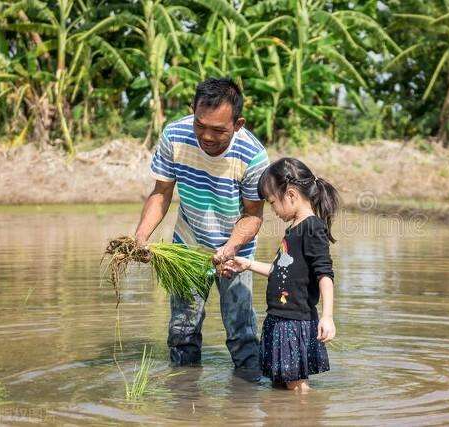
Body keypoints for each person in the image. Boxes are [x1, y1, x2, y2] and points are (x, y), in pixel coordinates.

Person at [134, 77, 269, 370]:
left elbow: (253, 215)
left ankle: (246, 400)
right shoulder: (175, 135)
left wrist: (230, 248)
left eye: (218, 130)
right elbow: (161, 193)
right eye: (200, 125)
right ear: (192, 110)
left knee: (241, 332)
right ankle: (184, 397)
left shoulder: (253, 156)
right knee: (182, 330)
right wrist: (141, 238)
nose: (206, 136)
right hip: (187, 246)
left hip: (235, 253)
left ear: (238, 123)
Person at [223, 157, 339, 393]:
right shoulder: (294, 229)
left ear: (292, 195)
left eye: (272, 202)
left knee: (296, 387)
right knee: (281, 384)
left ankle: (306, 415)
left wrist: (327, 316)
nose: (273, 210)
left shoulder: (312, 227)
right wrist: (247, 264)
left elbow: (324, 274)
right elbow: (281, 272)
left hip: (294, 322)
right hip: (279, 318)